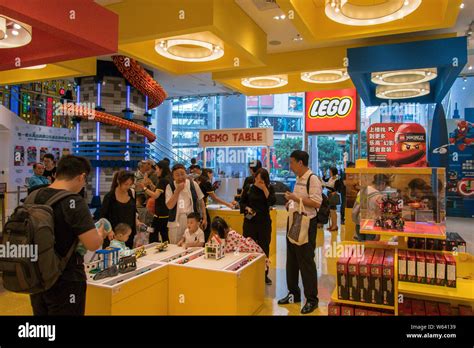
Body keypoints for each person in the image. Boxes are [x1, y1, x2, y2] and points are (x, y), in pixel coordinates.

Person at [29, 155, 110, 316]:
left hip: (37, 276)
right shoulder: (73, 201)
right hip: (67, 278)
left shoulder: (34, 196)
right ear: (82, 176)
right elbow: (92, 244)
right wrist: (101, 232)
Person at [278, 150, 322, 315]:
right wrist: (291, 199)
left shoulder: (313, 179)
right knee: (292, 260)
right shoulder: (298, 179)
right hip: (294, 221)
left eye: (292, 162)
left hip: (306, 223)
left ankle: (312, 299)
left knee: (306, 262)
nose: (290, 165)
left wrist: (296, 199)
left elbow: (317, 203)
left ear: (300, 163)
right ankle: (293, 294)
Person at [240, 168, 276, 285]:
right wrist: (246, 208)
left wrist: (264, 188)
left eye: (261, 180)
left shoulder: (269, 188)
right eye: (257, 179)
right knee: (248, 247)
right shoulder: (248, 188)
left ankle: (264, 274)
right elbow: (242, 202)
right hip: (250, 222)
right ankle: (247, 271)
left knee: (264, 248)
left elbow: (272, 201)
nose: (258, 181)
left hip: (264, 222)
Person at [165, 164, 207, 244]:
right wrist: (177, 191)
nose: (180, 177)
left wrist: (204, 218)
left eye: (182, 174)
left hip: (192, 219)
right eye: (177, 175)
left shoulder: (193, 184)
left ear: (186, 173)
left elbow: (201, 201)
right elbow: (169, 206)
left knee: (193, 244)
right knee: (175, 244)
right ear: (173, 176)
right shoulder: (170, 186)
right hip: (176, 221)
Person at [101, 170, 141, 249]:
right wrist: (109, 230)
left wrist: (137, 221)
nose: (128, 187)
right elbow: (103, 217)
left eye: (130, 184)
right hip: (113, 235)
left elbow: (134, 211)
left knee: (127, 256)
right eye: (126, 184)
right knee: (112, 258)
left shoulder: (132, 193)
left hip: (128, 234)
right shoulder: (110, 197)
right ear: (118, 181)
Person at [197, 168, 235, 241]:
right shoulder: (207, 182)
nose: (212, 176)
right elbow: (215, 198)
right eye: (212, 174)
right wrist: (228, 204)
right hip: (201, 207)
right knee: (206, 227)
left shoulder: (199, 180)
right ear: (208, 173)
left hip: (196, 206)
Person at [137, 160, 171, 243]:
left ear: (161, 169)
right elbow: (158, 191)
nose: (156, 171)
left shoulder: (163, 180)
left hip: (161, 212)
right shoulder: (167, 179)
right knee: (163, 234)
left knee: (154, 233)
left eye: (157, 169)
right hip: (165, 212)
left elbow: (156, 195)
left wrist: (144, 188)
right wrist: (151, 184)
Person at [323, 167, 341, 231]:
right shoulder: (330, 178)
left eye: (330, 172)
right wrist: (324, 174)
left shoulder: (337, 179)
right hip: (329, 194)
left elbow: (336, 189)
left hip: (332, 195)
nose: (329, 173)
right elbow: (325, 180)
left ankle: (335, 225)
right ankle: (332, 225)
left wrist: (326, 186)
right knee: (331, 211)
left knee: (333, 211)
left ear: (333, 172)